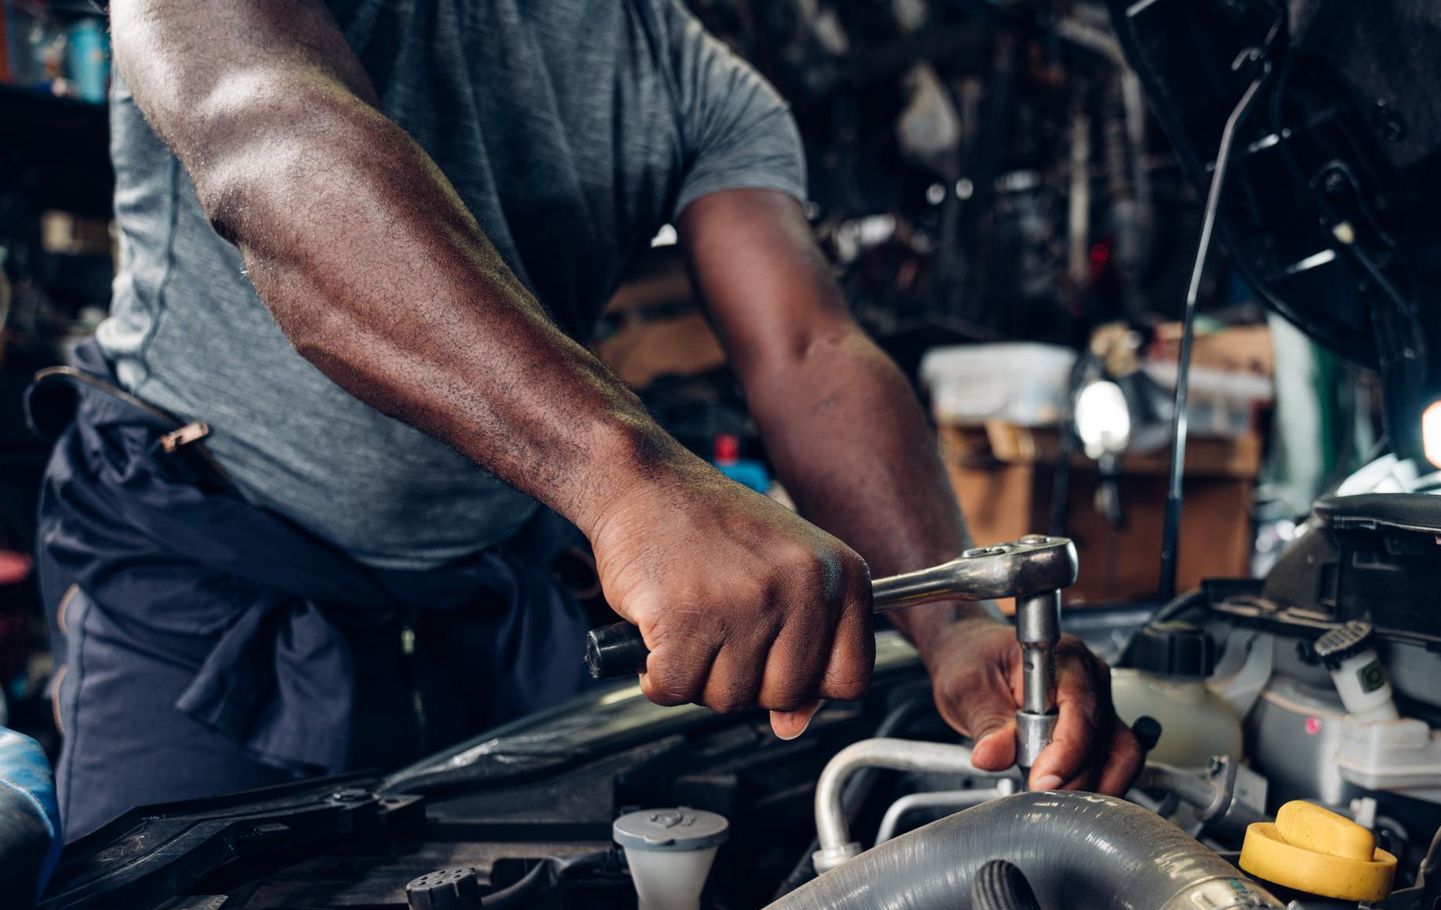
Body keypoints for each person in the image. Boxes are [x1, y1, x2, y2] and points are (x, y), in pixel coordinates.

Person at [32, 0, 1141, 839]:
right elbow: (267, 143)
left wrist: (955, 621)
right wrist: (630, 477)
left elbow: (806, 351)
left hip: (491, 595)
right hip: (203, 582)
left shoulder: (692, 81)